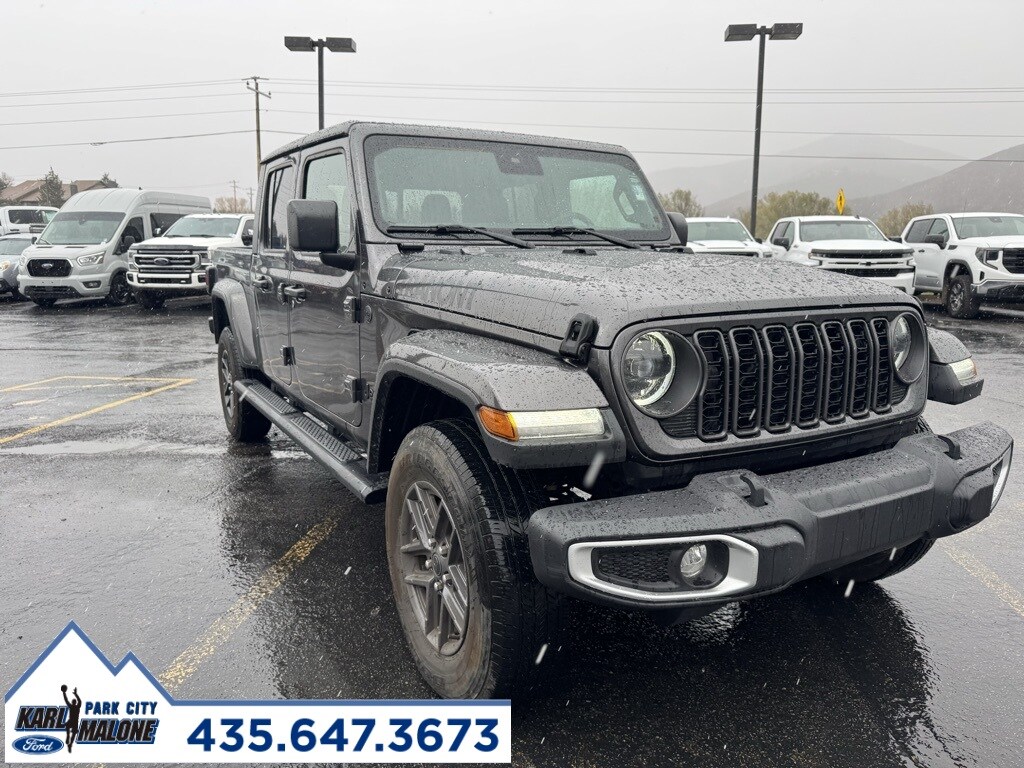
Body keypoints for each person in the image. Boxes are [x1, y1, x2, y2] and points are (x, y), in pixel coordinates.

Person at [61, 684, 81, 753]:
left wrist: (64, 693)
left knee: (69, 728)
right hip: (74, 722)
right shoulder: (76, 707)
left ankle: (69, 741)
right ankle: (69, 738)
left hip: (72, 721)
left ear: (73, 702)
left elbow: (66, 700)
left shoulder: (73, 707)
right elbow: (79, 701)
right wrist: (75, 694)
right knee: (72, 732)